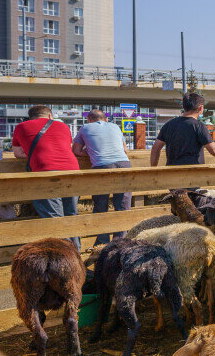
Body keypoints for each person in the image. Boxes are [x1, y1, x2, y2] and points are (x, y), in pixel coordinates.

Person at [12, 104, 80, 250]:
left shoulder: (21, 127)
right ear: (50, 116)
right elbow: (66, 147)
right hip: (73, 172)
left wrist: (35, 153)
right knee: (72, 215)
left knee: (54, 218)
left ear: (30, 117)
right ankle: (77, 255)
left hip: (46, 172)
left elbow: (18, 153)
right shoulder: (63, 127)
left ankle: (66, 259)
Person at [73, 110, 132, 245]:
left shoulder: (85, 128)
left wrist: (91, 152)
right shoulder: (115, 126)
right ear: (105, 119)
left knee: (101, 205)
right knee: (123, 206)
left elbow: (76, 150)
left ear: (89, 120)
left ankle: (103, 243)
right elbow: (125, 151)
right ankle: (119, 243)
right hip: (124, 165)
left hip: (102, 166)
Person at [151, 93, 215, 167]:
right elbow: (214, 150)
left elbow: (155, 148)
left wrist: (154, 169)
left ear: (183, 107)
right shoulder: (199, 126)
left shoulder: (168, 125)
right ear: (200, 108)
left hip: (172, 173)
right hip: (193, 174)